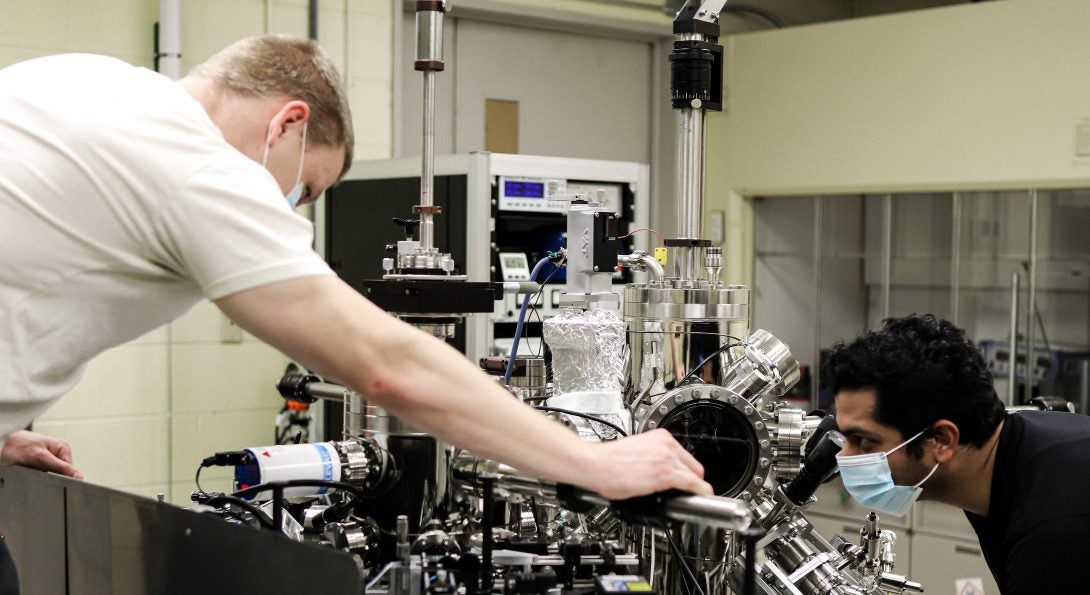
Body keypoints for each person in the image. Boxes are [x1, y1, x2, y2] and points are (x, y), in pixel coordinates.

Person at [0, 36, 710, 495]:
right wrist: (595, 462)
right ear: (287, 123)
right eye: (304, 189)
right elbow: (380, 363)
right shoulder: (199, 164)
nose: (292, 208)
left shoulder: (86, 80)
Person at [825, 313, 1090, 593]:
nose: (843, 457)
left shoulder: (1053, 534)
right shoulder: (1016, 452)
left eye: (864, 441)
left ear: (942, 440)